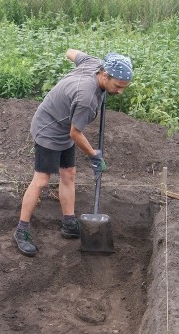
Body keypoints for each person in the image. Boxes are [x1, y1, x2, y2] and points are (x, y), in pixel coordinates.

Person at [13, 50, 133, 256]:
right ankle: (21, 230)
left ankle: (69, 224)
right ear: (105, 75)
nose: (120, 92)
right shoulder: (86, 98)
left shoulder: (93, 63)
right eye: (117, 87)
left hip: (64, 126)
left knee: (68, 173)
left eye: (123, 88)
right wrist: (94, 154)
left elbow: (71, 53)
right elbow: (76, 134)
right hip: (49, 129)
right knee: (41, 180)